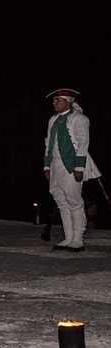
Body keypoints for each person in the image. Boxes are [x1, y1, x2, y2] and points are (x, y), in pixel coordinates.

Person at [43, 88, 100, 251]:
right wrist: (47, 165)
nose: (54, 103)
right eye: (54, 100)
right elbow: (48, 143)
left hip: (70, 164)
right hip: (55, 164)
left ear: (68, 101)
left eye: (57, 100)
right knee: (61, 201)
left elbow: (83, 143)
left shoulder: (79, 118)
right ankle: (68, 237)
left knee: (74, 201)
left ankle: (77, 239)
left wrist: (79, 166)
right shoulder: (53, 119)